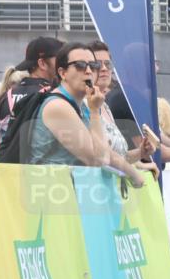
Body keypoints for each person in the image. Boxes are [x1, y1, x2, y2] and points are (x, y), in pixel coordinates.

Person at [23, 42, 145, 187]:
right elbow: (98, 159)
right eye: (80, 65)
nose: (88, 71)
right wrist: (133, 174)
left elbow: (105, 151)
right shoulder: (57, 106)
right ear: (63, 73)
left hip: (67, 194)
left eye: (93, 66)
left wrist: (137, 162)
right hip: (50, 195)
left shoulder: (83, 105)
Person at [88, 41, 157, 175]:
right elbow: (100, 156)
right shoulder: (82, 104)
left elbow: (118, 155)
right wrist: (133, 172)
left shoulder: (105, 106)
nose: (103, 69)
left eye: (107, 64)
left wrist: (141, 153)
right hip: (91, 187)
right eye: (96, 64)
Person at [0, 37, 63, 132]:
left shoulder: (5, 96)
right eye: (60, 58)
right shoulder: (52, 95)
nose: (64, 63)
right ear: (42, 63)